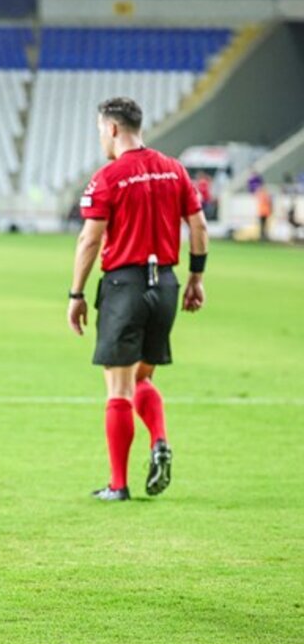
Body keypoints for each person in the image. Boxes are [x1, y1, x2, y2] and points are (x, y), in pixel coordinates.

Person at [68, 97, 209, 501]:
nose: (101, 137)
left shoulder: (108, 177)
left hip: (124, 286)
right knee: (142, 377)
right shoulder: (174, 169)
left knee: (118, 387)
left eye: (100, 130)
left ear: (112, 129)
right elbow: (199, 226)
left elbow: (90, 239)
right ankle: (159, 439)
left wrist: (76, 293)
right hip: (165, 285)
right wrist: (196, 278)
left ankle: (118, 484)